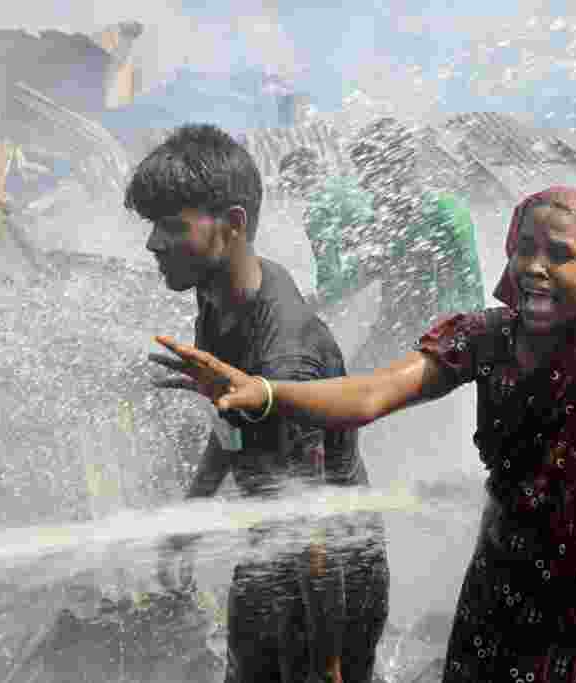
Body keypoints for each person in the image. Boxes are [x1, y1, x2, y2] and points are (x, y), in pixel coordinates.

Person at [150, 186, 576, 683]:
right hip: (501, 579)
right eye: (524, 249)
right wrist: (266, 391)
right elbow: (371, 394)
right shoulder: (486, 337)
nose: (535, 267)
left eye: (561, 255)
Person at [128, 124, 389, 683]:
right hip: (276, 547)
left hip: (330, 577)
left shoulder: (284, 356)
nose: (152, 243)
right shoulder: (220, 292)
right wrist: (191, 514)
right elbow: (233, 425)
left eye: (172, 226)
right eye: (152, 225)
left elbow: (310, 517)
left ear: (235, 224)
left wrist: (330, 665)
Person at [345, 117, 485, 372]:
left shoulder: (444, 211)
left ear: (402, 165)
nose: (363, 183)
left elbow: (471, 291)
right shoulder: (380, 220)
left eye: (370, 172)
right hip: (390, 333)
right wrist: (310, 303)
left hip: (439, 341)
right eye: (361, 172)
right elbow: (357, 276)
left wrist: (464, 351)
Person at [277, 148, 376, 310]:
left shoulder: (317, 211)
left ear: (293, 182)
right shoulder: (351, 185)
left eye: (287, 185)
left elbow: (329, 273)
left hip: (368, 269)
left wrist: (316, 305)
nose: (287, 192)